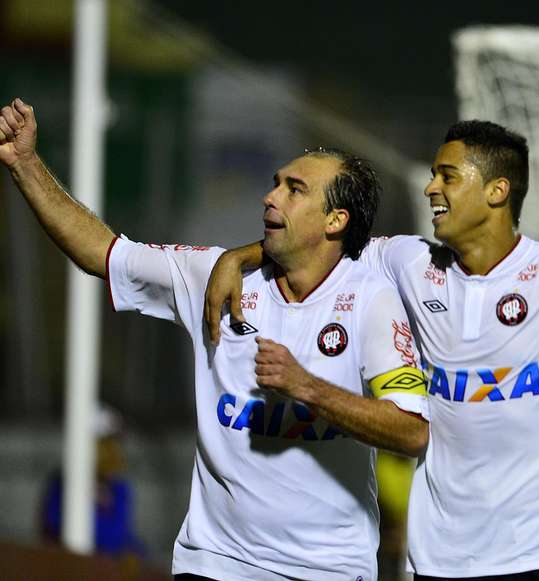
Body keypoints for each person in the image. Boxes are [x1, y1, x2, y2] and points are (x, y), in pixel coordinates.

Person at [204, 81, 539, 580]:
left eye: (447, 176)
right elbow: (318, 244)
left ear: (496, 192)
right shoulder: (407, 261)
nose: (430, 190)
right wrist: (239, 257)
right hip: (447, 559)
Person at [0, 100, 430, 581]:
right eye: (275, 183)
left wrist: (306, 387)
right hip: (215, 562)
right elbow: (104, 253)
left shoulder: (372, 301)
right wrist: (25, 164)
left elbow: (411, 430)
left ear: (335, 221)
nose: (271, 197)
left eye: (295, 190)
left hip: (327, 567)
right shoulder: (211, 273)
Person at [41, 404, 146, 562]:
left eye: (114, 443)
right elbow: (54, 528)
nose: (113, 451)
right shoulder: (61, 486)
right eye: (105, 444)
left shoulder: (119, 489)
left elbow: (115, 539)